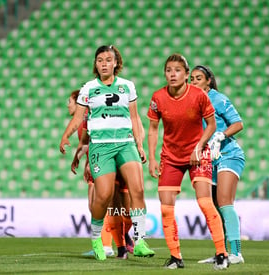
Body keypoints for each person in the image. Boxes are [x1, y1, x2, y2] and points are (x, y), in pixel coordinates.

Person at [59, 45, 154, 261]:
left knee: (138, 189)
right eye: (100, 60)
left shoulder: (127, 86)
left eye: (108, 60)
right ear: (96, 64)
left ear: (115, 63)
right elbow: (78, 118)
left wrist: (139, 144)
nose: (103, 63)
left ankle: (139, 241)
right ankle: (96, 238)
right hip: (101, 146)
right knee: (103, 196)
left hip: (125, 143)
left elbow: (135, 117)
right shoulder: (88, 88)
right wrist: (66, 136)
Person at [147, 53, 229, 270]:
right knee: (166, 208)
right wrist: (152, 158)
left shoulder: (199, 96)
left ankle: (222, 253)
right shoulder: (158, 98)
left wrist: (199, 146)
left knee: (204, 202)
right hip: (170, 157)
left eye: (177, 70)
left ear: (185, 74)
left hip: (197, 154)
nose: (172, 74)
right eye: (168, 70)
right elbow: (153, 129)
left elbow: (211, 125)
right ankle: (176, 257)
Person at [190, 65, 245, 264]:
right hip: (208, 159)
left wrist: (221, 136)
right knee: (213, 206)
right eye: (192, 79)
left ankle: (236, 253)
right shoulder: (193, 102)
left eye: (198, 78)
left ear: (208, 81)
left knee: (224, 202)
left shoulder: (218, 99)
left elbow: (238, 123)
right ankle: (222, 252)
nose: (193, 82)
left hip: (228, 154)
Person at [67, 90, 115, 257]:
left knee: (99, 204)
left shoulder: (89, 118)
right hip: (96, 162)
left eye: (70, 101)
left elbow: (93, 142)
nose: (68, 105)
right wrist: (77, 158)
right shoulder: (84, 120)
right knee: (95, 205)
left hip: (99, 163)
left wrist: (87, 162)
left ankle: (107, 245)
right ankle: (106, 243)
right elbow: (86, 144)